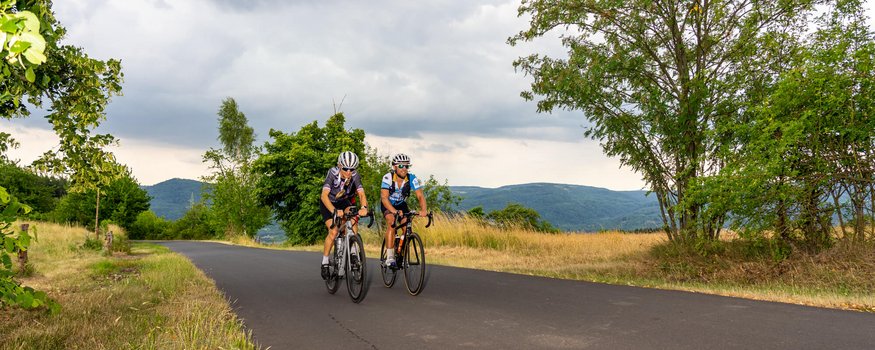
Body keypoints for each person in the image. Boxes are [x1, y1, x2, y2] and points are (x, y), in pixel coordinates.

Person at [320, 151, 370, 279]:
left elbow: (361, 194)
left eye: (352, 169)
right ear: (339, 165)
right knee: (334, 231)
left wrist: (364, 207)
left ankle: (353, 251)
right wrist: (334, 211)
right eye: (346, 168)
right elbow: (324, 196)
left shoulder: (355, 175)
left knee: (353, 216)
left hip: (343, 202)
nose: (348, 171)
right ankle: (325, 262)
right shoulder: (332, 173)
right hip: (329, 203)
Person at [381, 153, 428, 268]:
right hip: (388, 205)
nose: (404, 169)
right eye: (401, 166)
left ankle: (401, 252)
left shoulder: (412, 178)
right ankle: (390, 257)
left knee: (406, 226)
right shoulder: (387, 177)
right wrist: (394, 211)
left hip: (401, 205)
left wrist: (424, 210)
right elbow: (384, 198)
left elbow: (420, 196)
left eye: (406, 166)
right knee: (392, 222)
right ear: (394, 167)